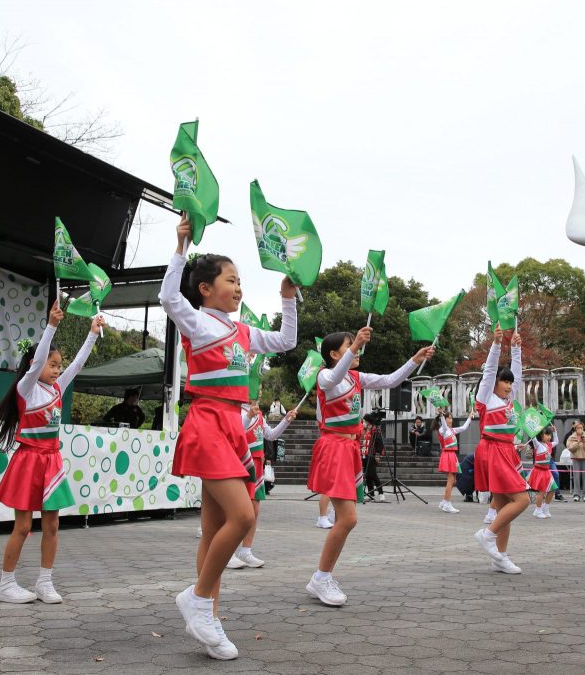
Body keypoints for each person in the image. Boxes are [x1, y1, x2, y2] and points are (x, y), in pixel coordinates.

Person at [160, 215, 298, 660]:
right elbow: (168, 296)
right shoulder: (197, 323)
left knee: (213, 529)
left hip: (232, 428)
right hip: (207, 423)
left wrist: (287, 297)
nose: (238, 288)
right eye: (231, 280)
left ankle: (209, 618)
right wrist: (180, 247)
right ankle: (198, 599)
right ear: (205, 288)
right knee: (242, 517)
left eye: (240, 281)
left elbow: (286, 340)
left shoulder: (242, 332)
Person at [0, 300, 102, 604]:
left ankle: (45, 582)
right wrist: (51, 326)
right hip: (29, 460)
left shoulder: (58, 388)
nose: (57, 369)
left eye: (58, 365)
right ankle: (6, 584)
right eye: (52, 364)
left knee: (52, 525)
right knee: (22, 526)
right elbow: (36, 365)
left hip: (52, 462)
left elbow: (78, 365)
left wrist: (92, 333)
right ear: (37, 363)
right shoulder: (27, 388)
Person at [306, 328, 434, 606]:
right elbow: (334, 378)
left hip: (349, 448)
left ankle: (322, 576)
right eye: (349, 346)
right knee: (348, 519)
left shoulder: (356, 377)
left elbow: (389, 380)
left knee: (347, 519)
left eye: (355, 345)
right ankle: (320, 577)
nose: (357, 350)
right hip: (334, 447)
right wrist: (355, 347)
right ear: (334, 354)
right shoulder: (325, 376)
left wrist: (414, 360)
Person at [472, 329, 530, 575]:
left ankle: (501, 557)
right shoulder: (486, 398)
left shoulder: (509, 400)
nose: (508, 385)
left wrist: (516, 348)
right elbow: (489, 371)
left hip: (507, 451)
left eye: (509, 382)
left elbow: (517, 373)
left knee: (505, 505)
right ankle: (487, 534)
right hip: (493, 451)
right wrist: (496, 344)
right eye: (504, 381)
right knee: (523, 500)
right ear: (494, 383)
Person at [226, 404, 297, 571]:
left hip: (257, 464)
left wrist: (286, 421)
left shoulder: (258, 414)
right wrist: (248, 416)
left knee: (254, 509)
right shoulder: (236, 411)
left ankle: (246, 551)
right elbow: (235, 433)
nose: (259, 392)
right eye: (256, 390)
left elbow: (271, 435)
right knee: (235, 511)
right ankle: (227, 553)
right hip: (242, 462)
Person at [434, 409, 474, 513]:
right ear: (444, 419)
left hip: (452, 455)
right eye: (448, 418)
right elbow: (444, 425)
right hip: (447, 454)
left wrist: (470, 417)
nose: (450, 420)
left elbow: (464, 428)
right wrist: (441, 415)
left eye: (451, 418)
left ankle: (444, 502)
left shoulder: (452, 430)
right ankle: (447, 504)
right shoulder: (443, 430)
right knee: (451, 480)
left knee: (452, 480)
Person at [527, 426, 558, 519]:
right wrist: (534, 429)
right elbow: (533, 437)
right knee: (542, 491)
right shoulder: (537, 445)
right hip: (539, 471)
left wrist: (555, 432)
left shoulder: (549, 445)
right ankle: (538, 510)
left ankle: (545, 508)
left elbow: (557, 442)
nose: (549, 437)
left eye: (550, 435)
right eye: (547, 435)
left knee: (553, 489)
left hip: (546, 471)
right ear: (540, 435)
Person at [566, 419, 585, 502]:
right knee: (576, 476)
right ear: (575, 429)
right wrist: (577, 442)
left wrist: (584, 442)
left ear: (583, 428)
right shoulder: (571, 437)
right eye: (578, 428)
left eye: (581, 428)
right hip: (575, 458)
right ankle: (576, 494)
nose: (580, 429)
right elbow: (570, 448)